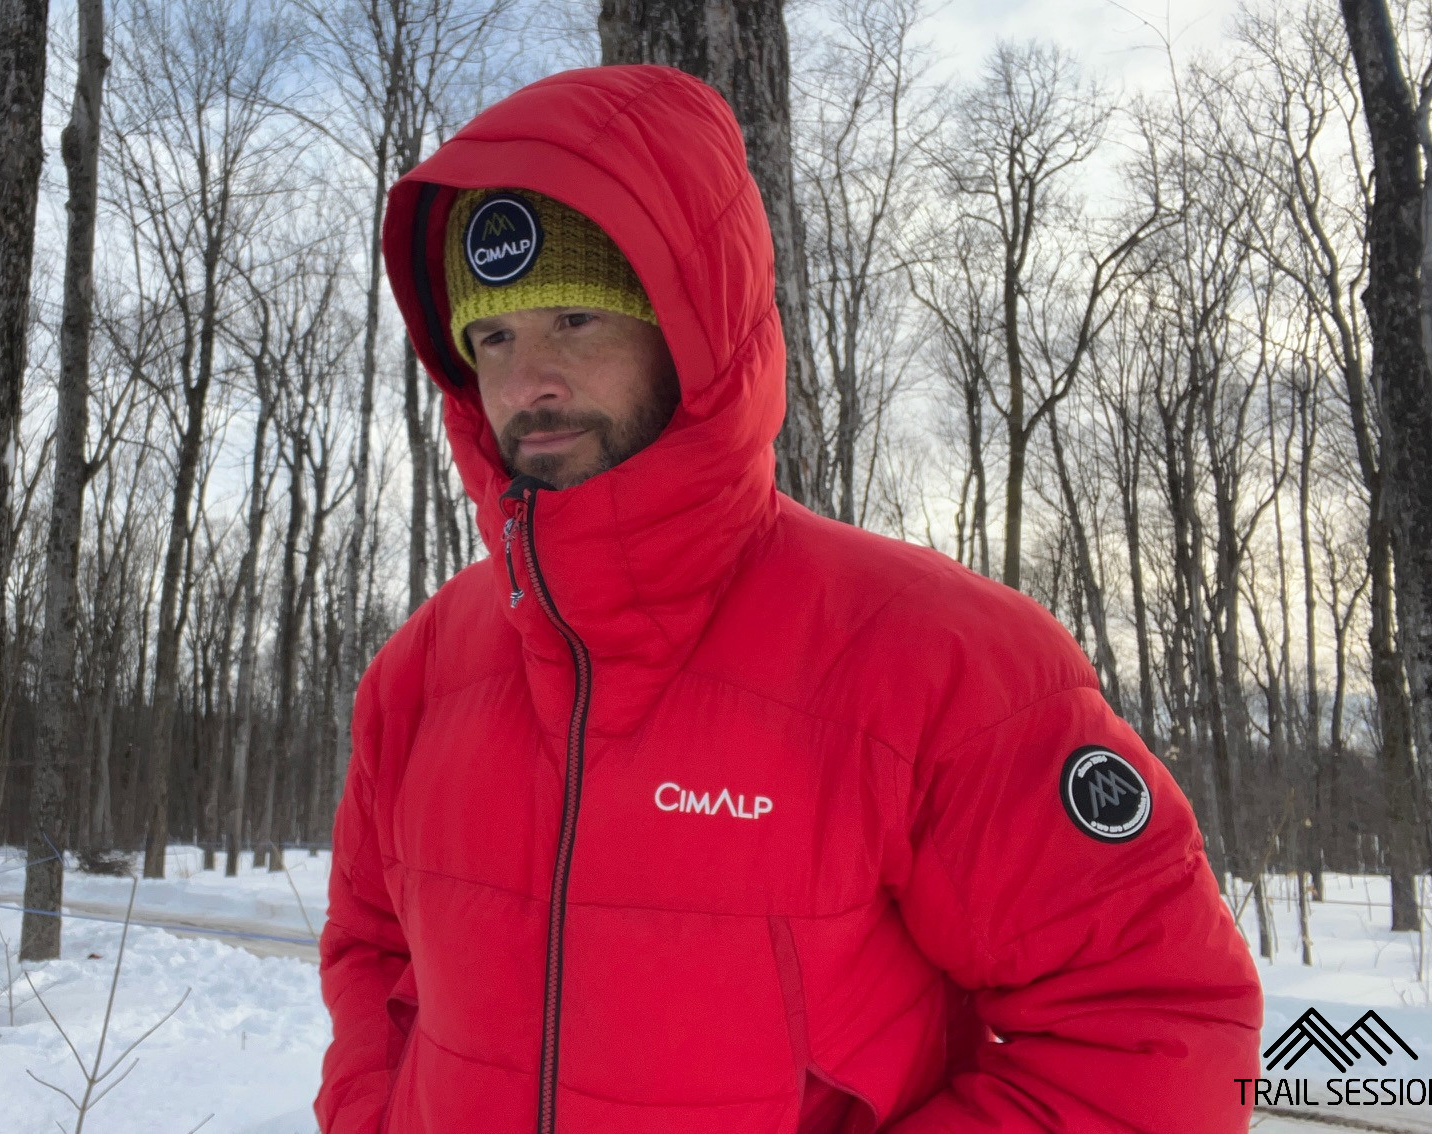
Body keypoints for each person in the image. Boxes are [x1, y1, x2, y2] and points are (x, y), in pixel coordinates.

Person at [314, 64, 1262, 1134]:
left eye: (576, 320)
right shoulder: (422, 675)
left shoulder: (937, 664)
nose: (529, 382)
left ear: (691, 327)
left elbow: (1156, 1029)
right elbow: (372, 955)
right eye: (493, 338)